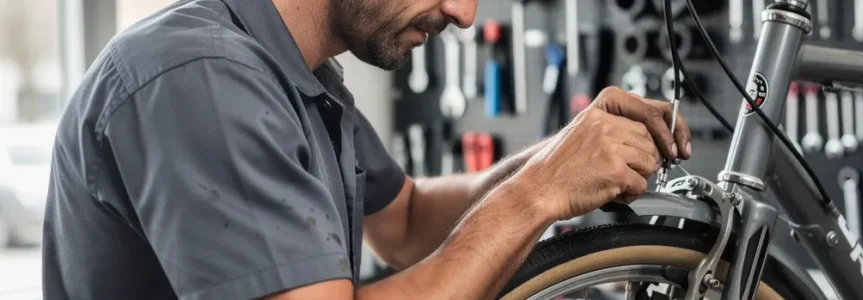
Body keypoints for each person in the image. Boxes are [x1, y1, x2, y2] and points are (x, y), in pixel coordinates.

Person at [42, 0, 692, 299]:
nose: (464, 14)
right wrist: (539, 193)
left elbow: (405, 222)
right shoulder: (201, 78)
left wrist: (557, 157)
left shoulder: (300, 78)